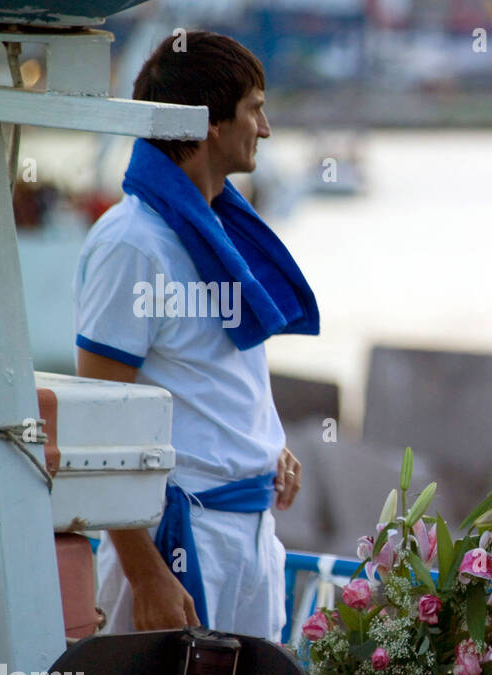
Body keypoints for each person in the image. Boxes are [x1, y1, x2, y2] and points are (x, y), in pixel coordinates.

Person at [72, 32, 317, 641]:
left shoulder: (216, 232)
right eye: (255, 108)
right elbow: (94, 428)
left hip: (249, 531)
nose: (265, 128)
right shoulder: (132, 242)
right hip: (179, 543)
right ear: (208, 123)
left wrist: (268, 446)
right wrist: (146, 575)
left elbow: (212, 371)